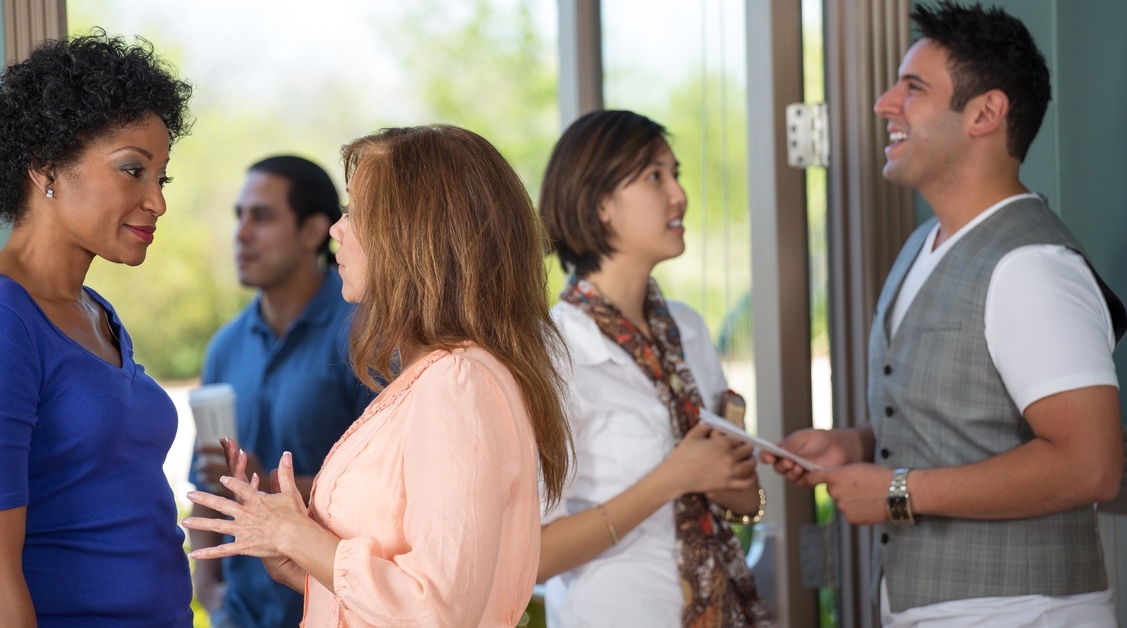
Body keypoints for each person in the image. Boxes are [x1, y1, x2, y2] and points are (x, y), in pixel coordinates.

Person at [765, 3, 1126, 625]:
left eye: (913, 87)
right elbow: (962, 417)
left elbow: (1091, 466)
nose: (884, 103)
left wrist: (898, 492)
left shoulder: (1032, 266)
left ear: (985, 113)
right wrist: (853, 445)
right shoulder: (922, 246)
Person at [181, 124, 572, 627]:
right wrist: (298, 566)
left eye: (353, 212)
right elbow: (396, 602)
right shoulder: (438, 376)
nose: (335, 231)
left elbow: (437, 611)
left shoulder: (456, 382)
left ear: (414, 234)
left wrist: (294, 534)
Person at [0, 32, 194, 625]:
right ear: (46, 166)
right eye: (132, 170)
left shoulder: (95, 312)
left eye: (161, 177)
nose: (157, 201)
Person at [535, 109, 773, 627]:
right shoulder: (552, 351)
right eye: (654, 177)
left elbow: (744, 498)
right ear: (599, 204)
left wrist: (735, 470)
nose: (678, 195)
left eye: (677, 174)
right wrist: (672, 478)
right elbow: (534, 555)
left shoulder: (687, 330)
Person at [189, 156, 377, 627]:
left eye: (263, 216)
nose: (242, 233)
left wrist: (266, 484)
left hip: (336, 608)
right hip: (239, 614)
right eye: (240, 216)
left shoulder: (366, 333)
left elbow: (384, 488)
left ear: (314, 231)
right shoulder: (225, 347)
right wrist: (209, 590)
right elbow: (206, 477)